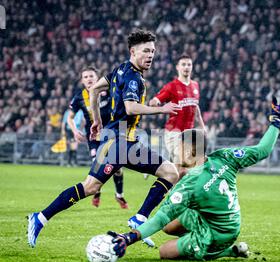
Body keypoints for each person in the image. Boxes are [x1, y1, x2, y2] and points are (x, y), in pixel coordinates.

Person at [27, 29, 181, 249]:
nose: (151, 55)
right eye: (146, 51)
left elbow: (96, 89)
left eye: (153, 51)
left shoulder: (120, 69)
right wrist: (162, 109)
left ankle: (139, 219)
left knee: (170, 172)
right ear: (133, 51)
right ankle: (40, 218)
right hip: (117, 142)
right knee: (90, 187)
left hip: (126, 141)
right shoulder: (133, 78)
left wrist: (97, 120)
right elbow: (129, 107)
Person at [108, 92, 280, 261]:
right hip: (230, 220)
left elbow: (159, 219)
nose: (176, 152)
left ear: (190, 150)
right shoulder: (224, 157)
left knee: (164, 252)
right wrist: (276, 122)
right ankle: (198, 240)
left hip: (218, 233)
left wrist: (129, 237)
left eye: (179, 148)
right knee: (169, 228)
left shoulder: (191, 184)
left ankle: (226, 251)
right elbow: (262, 150)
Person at [68, 66, 129, 208]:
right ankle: (96, 191)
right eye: (86, 77)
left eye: (92, 76)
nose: (89, 79)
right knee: (97, 164)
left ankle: (119, 195)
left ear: (97, 78)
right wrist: (75, 131)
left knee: (118, 169)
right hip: (94, 137)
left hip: (112, 134)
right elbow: (70, 118)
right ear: (82, 81)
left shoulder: (108, 92)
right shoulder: (79, 97)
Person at [149, 53, 205, 178]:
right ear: (177, 67)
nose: (186, 67)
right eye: (183, 64)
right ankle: (162, 170)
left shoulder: (195, 86)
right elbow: (154, 101)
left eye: (189, 64)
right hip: (174, 133)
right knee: (182, 166)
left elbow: (196, 108)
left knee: (187, 169)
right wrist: (159, 105)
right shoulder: (171, 87)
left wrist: (202, 127)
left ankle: (160, 167)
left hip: (189, 133)